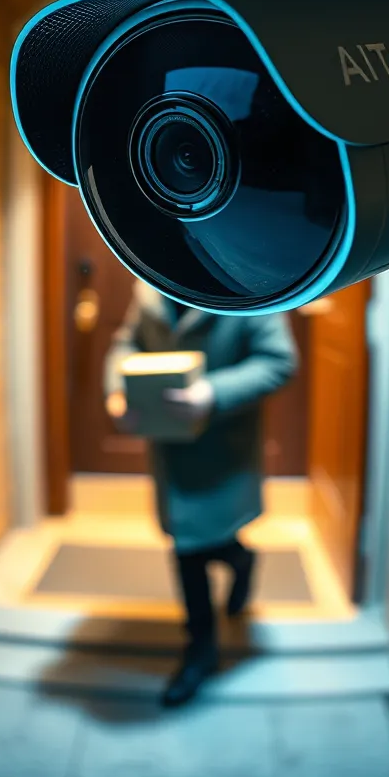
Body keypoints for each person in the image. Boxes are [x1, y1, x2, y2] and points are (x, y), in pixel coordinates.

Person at [103, 278, 299, 707]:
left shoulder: (248, 284)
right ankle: (230, 582)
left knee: (193, 546)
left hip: (221, 449)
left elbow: (278, 360)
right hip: (170, 444)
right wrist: (118, 391)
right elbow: (125, 345)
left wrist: (211, 394)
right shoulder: (149, 285)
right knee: (188, 543)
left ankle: (201, 650)